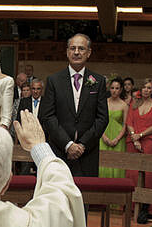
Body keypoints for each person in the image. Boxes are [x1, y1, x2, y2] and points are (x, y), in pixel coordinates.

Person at [39, 33, 109, 176]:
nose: (76, 52)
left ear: (88, 53)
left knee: (86, 196)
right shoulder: (54, 80)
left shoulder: (98, 81)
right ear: (67, 52)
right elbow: (47, 116)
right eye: (73, 48)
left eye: (81, 49)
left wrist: (82, 145)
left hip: (87, 153)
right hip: (59, 151)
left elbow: (102, 118)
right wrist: (68, 144)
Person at [126, 79, 152, 222]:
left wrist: (140, 136)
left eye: (149, 88)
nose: (146, 90)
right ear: (140, 90)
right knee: (132, 174)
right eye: (144, 88)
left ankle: (147, 208)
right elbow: (129, 122)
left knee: (148, 176)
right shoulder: (133, 104)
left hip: (148, 141)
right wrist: (135, 139)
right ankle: (131, 206)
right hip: (133, 142)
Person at [99, 78, 128, 178]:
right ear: (109, 89)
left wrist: (117, 139)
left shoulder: (124, 105)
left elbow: (125, 124)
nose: (114, 90)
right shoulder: (103, 102)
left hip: (118, 136)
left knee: (116, 163)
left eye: (117, 88)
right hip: (103, 134)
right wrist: (104, 137)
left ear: (120, 90)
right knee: (102, 162)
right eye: (112, 88)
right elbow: (98, 121)